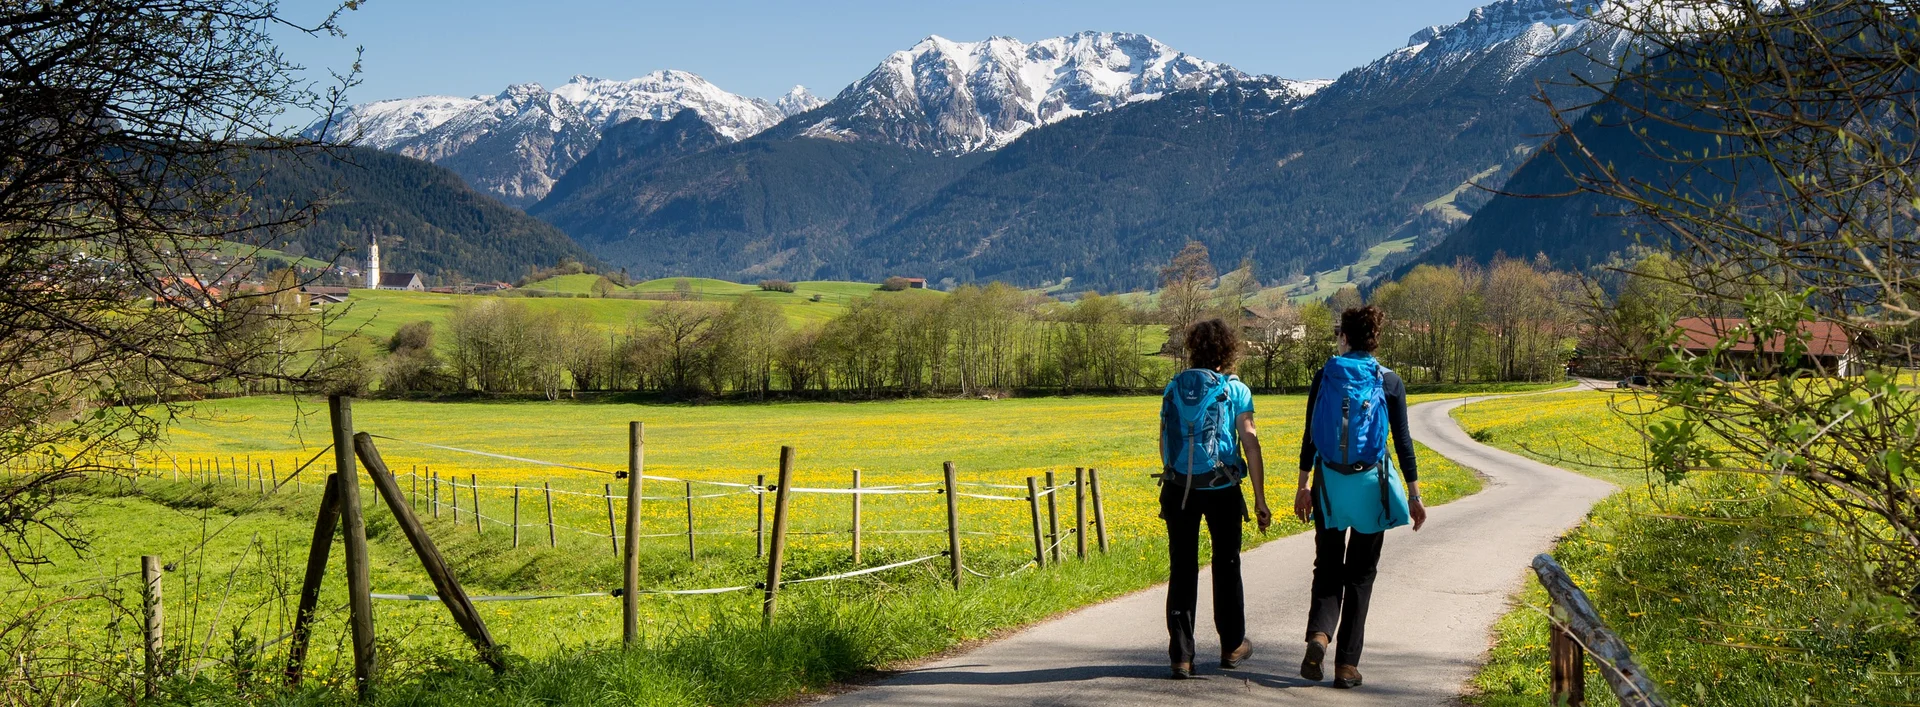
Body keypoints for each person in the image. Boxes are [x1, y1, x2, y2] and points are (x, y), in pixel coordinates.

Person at [1293, 305, 1426, 689]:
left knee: (1328, 566)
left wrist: (1303, 487)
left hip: (1330, 486)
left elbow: (1310, 436)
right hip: (1371, 487)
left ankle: (1319, 635)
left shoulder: (1325, 375)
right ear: (1376, 338)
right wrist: (1414, 496)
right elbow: (1402, 442)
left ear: (1344, 337)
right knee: (1361, 574)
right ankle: (1346, 666)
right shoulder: (1390, 381)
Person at [1159, 318, 1271, 679]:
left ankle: (1181, 655)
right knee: (1226, 564)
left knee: (1182, 569)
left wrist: (1175, 475)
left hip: (1179, 488)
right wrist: (1259, 498)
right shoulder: (1235, 390)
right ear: (1227, 350)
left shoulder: (1173, 388)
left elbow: (1163, 441)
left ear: (1193, 349)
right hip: (1222, 487)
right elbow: (1250, 444)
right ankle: (1232, 644)